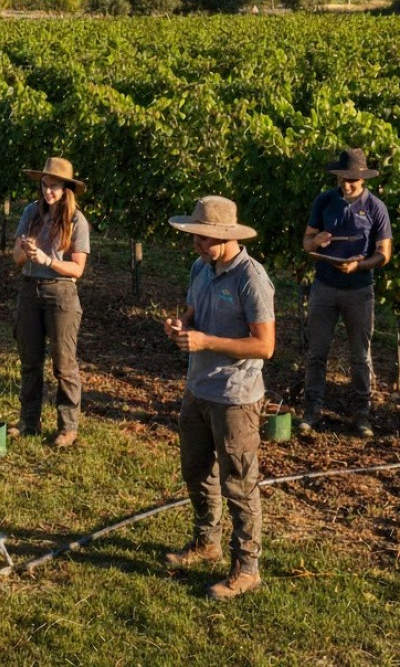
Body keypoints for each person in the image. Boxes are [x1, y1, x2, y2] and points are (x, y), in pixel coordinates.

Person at [163, 196, 275, 601]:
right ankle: (206, 541)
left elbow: (265, 346)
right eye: (194, 236)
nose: (196, 244)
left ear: (227, 237)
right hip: (198, 388)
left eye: (204, 238)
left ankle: (247, 567)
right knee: (196, 471)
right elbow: (194, 310)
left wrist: (206, 341)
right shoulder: (201, 266)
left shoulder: (251, 278)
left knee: (239, 483)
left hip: (235, 397)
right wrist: (182, 324)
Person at [302, 148, 393, 438]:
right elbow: (306, 243)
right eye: (343, 179)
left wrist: (359, 265)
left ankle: (361, 414)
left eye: (352, 180)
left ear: (363, 179)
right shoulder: (324, 201)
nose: (347, 185)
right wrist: (316, 241)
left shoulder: (376, 208)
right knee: (317, 352)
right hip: (324, 287)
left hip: (359, 290)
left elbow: (384, 254)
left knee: (360, 356)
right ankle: (311, 410)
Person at [9, 157, 90, 448]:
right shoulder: (31, 213)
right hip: (30, 289)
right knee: (30, 361)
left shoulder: (76, 221)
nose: (47, 191)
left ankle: (67, 426)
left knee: (63, 364)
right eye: (44, 185)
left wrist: (48, 260)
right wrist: (27, 250)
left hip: (61, 293)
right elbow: (16, 258)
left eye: (54, 186)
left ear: (66, 189)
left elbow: (77, 269)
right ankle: (29, 421)